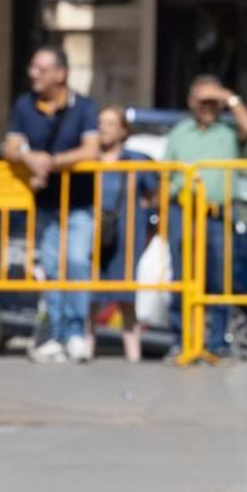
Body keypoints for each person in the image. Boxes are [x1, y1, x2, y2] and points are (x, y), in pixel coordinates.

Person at [3, 45, 101, 364]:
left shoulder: (84, 107)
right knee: (52, 267)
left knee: (75, 262)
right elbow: (11, 145)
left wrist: (52, 162)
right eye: (32, 67)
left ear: (60, 74)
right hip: (45, 203)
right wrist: (29, 158)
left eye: (41, 69)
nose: (33, 74)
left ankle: (75, 331)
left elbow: (91, 150)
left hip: (79, 203)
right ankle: (55, 333)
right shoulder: (24, 105)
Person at [163, 75, 247, 360]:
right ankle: (182, 340)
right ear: (191, 102)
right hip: (183, 212)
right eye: (202, 101)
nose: (208, 107)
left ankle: (215, 345)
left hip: (217, 215)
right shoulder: (179, 132)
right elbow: (166, 176)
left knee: (218, 282)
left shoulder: (228, 131)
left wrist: (228, 96)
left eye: (213, 102)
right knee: (182, 279)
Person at [95, 106, 160, 362]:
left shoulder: (137, 161)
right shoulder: (88, 158)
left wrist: (149, 209)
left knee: (125, 295)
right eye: (100, 122)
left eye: (110, 123)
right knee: (90, 293)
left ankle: (133, 355)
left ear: (123, 131)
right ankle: (86, 348)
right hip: (94, 231)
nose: (103, 128)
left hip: (125, 234)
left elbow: (156, 194)